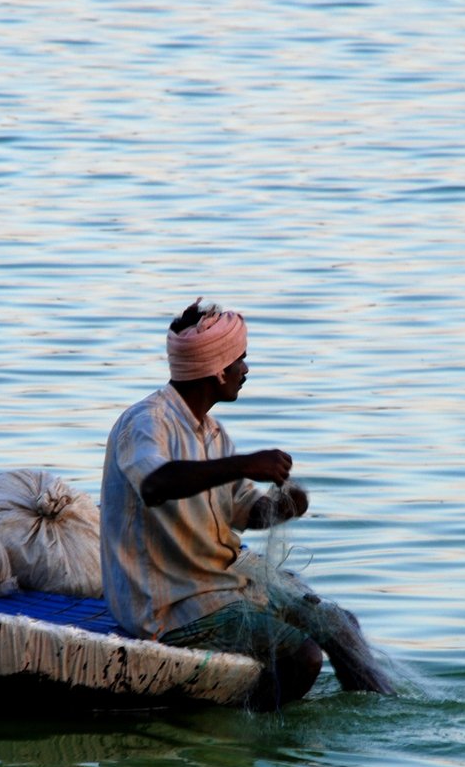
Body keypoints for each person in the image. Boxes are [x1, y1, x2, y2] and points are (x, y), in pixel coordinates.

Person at [99, 299, 394, 708]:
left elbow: (242, 511)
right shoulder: (147, 421)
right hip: (171, 603)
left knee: (341, 625)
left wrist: (284, 506)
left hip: (223, 582)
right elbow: (155, 484)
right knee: (301, 656)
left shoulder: (213, 434)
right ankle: (251, 732)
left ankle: (380, 718)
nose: (246, 369)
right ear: (217, 371)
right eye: (240, 360)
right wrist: (244, 463)